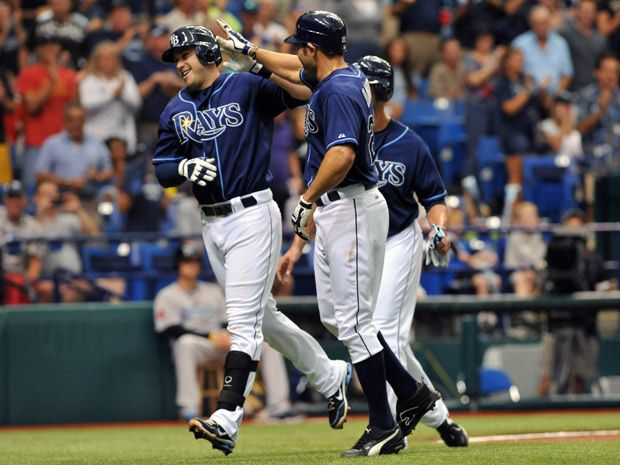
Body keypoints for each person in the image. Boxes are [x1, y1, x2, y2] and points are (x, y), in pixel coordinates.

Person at [218, 11, 441, 457]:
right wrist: (249, 54)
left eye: (301, 45)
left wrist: (307, 199)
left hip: (352, 202)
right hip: (347, 206)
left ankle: (383, 423)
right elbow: (295, 75)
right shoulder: (342, 76)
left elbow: (341, 154)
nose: (297, 51)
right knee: (340, 320)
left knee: (356, 324)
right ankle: (413, 394)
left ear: (314, 49)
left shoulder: (337, 88)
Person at [151, 25, 351, 456]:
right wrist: (183, 170)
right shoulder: (175, 109)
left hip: (252, 214)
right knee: (263, 316)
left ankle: (227, 417)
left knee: (242, 322)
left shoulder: (245, 84)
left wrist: (257, 60)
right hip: (211, 222)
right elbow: (162, 165)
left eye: (186, 54)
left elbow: (304, 87)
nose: (180, 63)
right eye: (176, 57)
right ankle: (330, 374)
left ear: (207, 51)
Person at [353, 55, 469, 447]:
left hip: (399, 240)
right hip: (360, 245)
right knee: (386, 341)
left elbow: (435, 197)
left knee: (385, 333)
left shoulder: (409, 143)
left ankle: (390, 429)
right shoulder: (347, 138)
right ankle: (437, 414)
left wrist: (438, 227)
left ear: (378, 93)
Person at [154, 243, 230, 420]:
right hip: (198, 347)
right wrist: (211, 336)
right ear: (178, 265)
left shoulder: (212, 291)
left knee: (263, 344)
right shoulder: (167, 295)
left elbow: (227, 320)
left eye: (195, 262)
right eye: (187, 262)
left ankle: (277, 405)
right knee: (185, 343)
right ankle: (189, 408)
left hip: (222, 343)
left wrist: (226, 335)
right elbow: (173, 330)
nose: (191, 266)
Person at [15, 32, 77, 193]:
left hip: (64, 143)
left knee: (63, 191)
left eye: (53, 45)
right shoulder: (29, 73)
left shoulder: (70, 76)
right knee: (30, 190)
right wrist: (52, 82)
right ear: (38, 49)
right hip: (36, 142)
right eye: (44, 46)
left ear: (59, 48)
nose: (49, 49)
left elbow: (75, 110)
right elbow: (31, 106)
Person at [79, 41, 142, 155]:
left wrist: (122, 94)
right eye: (103, 58)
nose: (107, 62)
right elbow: (85, 104)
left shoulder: (125, 77)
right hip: (94, 136)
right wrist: (112, 95)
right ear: (96, 61)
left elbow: (136, 104)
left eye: (111, 58)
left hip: (119, 135)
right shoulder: (90, 79)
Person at [0, 180, 43, 304]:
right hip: (2, 273)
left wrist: (27, 283)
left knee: (18, 286)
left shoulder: (33, 225)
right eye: (11, 198)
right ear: (5, 201)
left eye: (18, 198)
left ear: (25, 201)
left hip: (20, 275)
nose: (15, 202)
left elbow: (35, 261)